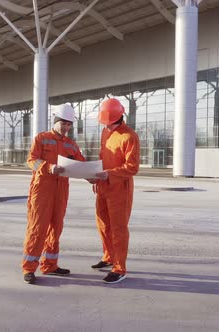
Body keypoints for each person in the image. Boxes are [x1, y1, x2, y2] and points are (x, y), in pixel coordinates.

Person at [21, 103, 86, 284]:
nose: (66, 127)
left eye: (69, 124)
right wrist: (48, 167)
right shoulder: (41, 139)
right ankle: (29, 268)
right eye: (63, 123)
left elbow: (81, 165)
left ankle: (50, 265)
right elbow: (31, 161)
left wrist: (95, 175)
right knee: (37, 229)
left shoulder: (71, 145)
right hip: (42, 189)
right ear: (56, 121)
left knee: (55, 229)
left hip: (61, 190)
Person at [90, 98, 140, 284]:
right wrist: (94, 174)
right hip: (102, 186)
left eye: (109, 124)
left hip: (120, 189)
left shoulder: (129, 136)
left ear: (118, 119)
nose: (107, 127)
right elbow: (103, 158)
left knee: (118, 229)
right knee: (103, 224)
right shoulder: (105, 132)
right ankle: (108, 257)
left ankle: (119, 268)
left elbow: (132, 167)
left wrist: (108, 174)